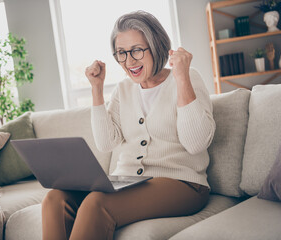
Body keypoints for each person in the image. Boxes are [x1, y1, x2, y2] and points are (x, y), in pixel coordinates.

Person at [41, 10, 216, 240]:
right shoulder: (123, 90)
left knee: (97, 203)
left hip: (183, 184)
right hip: (128, 180)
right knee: (55, 199)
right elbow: (107, 143)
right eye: (121, 53)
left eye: (136, 50)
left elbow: (196, 143)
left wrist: (181, 76)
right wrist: (97, 89)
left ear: (156, 46)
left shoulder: (187, 77)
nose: (129, 61)